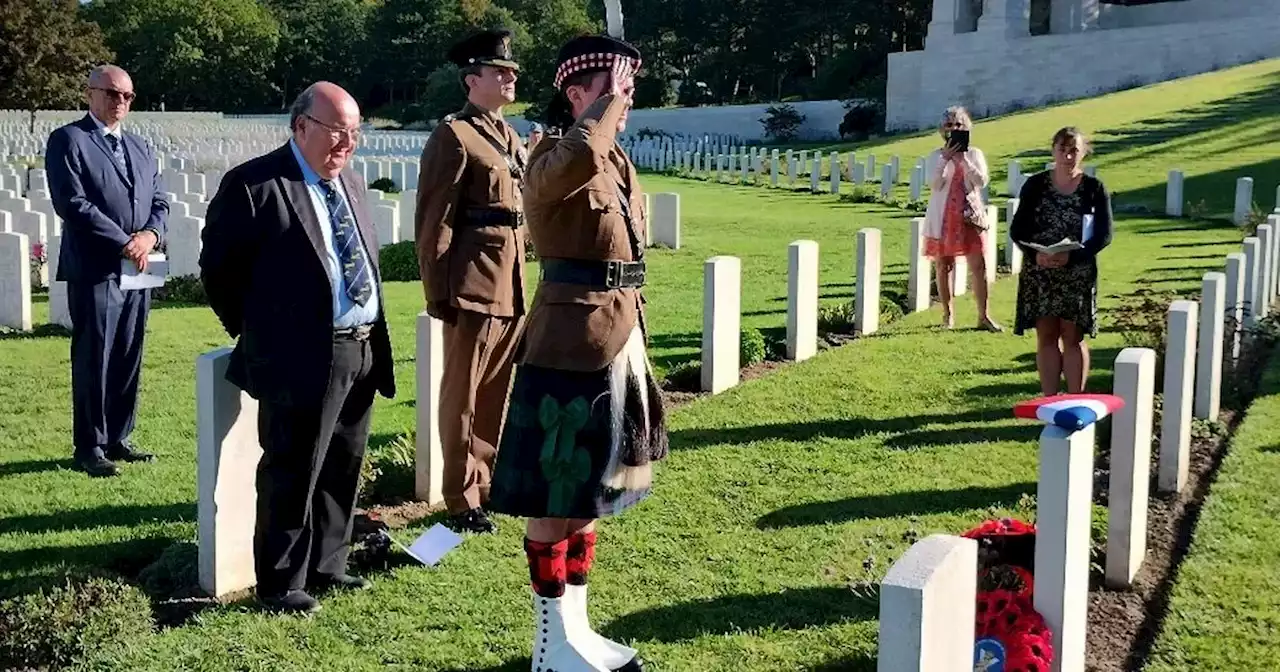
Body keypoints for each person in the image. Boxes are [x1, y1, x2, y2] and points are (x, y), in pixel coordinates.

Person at [486, 35, 666, 672]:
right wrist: (606, 107)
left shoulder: (615, 160)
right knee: (554, 493)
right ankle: (549, 644)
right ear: (576, 94)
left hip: (616, 337)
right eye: (615, 90)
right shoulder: (550, 159)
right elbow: (579, 151)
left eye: (629, 90)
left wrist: (612, 108)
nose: (626, 102)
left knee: (592, 492)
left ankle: (577, 632)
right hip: (568, 347)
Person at [199, 82, 396, 615]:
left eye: (354, 133)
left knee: (343, 464)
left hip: (359, 347)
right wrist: (260, 333)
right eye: (337, 132)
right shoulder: (255, 185)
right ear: (301, 126)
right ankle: (281, 582)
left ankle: (329, 563)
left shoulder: (349, 181)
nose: (347, 145)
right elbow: (219, 272)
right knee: (293, 470)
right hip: (297, 356)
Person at [415, 29, 528, 535]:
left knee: (497, 390)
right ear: (471, 79)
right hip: (473, 284)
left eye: (511, 71)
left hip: (512, 281)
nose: (510, 77)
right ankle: (461, 499)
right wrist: (438, 293)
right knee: (461, 394)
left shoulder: (510, 135)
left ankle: (485, 482)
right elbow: (434, 221)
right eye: (498, 71)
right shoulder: (454, 136)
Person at [45, 64, 168, 478]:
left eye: (128, 96)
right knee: (94, 355)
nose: (120, 102)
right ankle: (90, 445)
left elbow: (160, 201)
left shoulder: (141, 147)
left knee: (129, 352)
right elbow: (73, 203)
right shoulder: (69, 140)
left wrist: (150, 235)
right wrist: (124, 241)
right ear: (90, 94)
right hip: (98, 267)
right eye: (112, 93)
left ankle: (119, 436)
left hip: (140, 265)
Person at [1011, 127, 1113, 395]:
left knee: (1072, 336)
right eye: (1063, 150)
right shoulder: (1035, 185)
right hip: (1040, 271)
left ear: (1083, 153)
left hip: (1076, 273)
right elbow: (1018, 229)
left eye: (1074, 151)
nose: (1068, 157)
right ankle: (1049, 399)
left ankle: (1075, 397)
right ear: (1053, 150)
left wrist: (1072, 256)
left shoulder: (1093, 189)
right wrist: (1037, 254)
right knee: (1045, 336)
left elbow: (1103, 234)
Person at [923, 106, 1002, 332]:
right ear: (942, 130)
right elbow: (935, 184)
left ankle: (983, 315)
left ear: (966, 127)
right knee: (943, 265)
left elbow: (981, 181)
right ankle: (948, 314)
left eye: (958, 125)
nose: (954, 129)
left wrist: (964, 160)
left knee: (979, 265)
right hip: (944, 216)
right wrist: (945, 159)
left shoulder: (974, 154)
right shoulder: (936, 156)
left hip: (970, 217)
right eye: (949, 125)